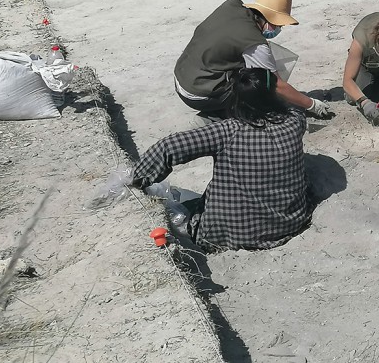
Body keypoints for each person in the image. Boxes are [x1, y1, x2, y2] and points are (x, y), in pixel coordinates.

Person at [133, 67, 310, 252]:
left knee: (181, 200)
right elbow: (290, 108)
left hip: (230, 236)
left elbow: (169, 147)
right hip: (288, 225)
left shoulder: (228, 131)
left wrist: (135, 178)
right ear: (273, 94)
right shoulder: (295, 121)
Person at [173, 0, 332, 121]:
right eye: (279, 24)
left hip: (182, 75)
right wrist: (311, 104)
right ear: (269, 19)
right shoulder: (254, 43)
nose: (279, 29)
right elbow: (277, 85)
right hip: (196, 93)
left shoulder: (232, 5)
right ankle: (214, 119)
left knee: (251, 73)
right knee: (257, 87)